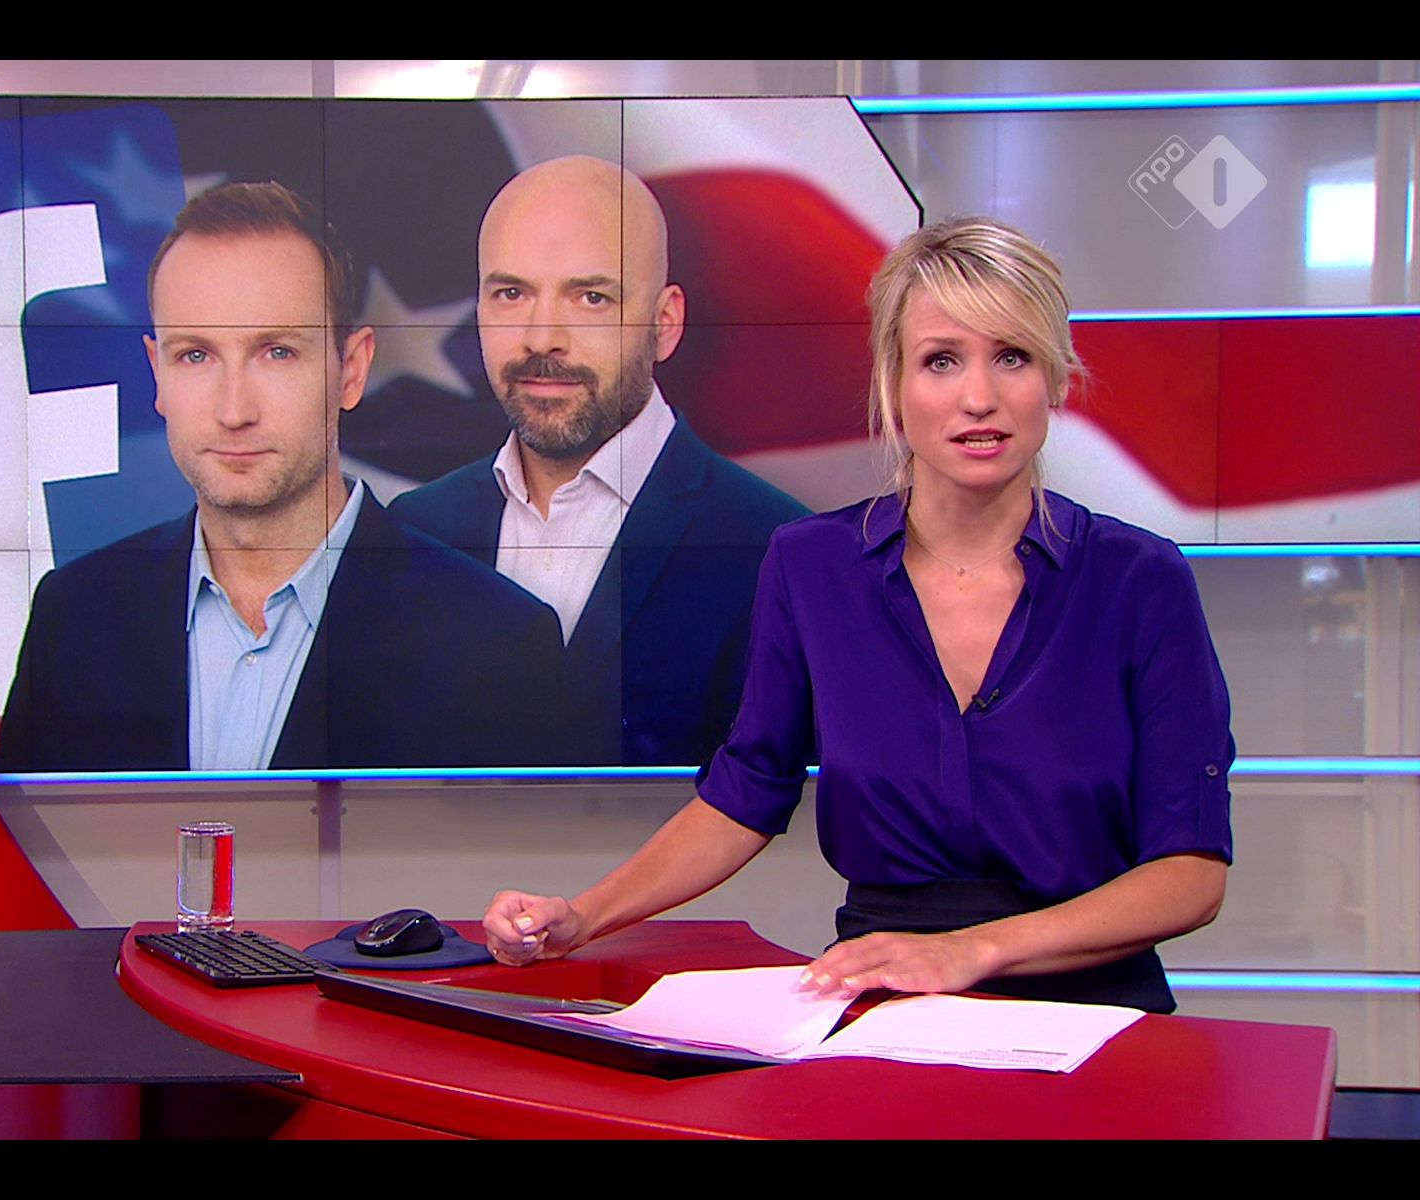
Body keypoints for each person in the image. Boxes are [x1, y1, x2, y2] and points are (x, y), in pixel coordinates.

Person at [482, 216, 1234, 1013]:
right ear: (894, 386)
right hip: (883, 998)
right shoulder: (812, 567)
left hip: (1094, 1008)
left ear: (1054, 380)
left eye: (1012, 357)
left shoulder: (1139, 579)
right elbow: (746, 793)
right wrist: (582, 916)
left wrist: (973, 951)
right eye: (941, 361)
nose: (979, 397)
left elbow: (1191, 874)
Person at [0, 182, 570, 772]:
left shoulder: (493, 643)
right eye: (195, 355)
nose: (233, 410)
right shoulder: (73, 615)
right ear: (157, 373)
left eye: (277, 353)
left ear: (351, 371)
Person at [390, 156, 811, 767]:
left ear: (664, 324)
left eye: (591, 297)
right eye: (511, 294)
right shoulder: (412, 531)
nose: (542, 338)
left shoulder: (779, 553)